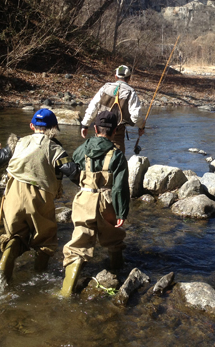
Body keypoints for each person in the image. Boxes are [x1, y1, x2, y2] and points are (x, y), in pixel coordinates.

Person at [0, 109, 77, 283]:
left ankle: (1, 278)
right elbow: (73, 173)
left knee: (14, 236)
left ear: (31, 126)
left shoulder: (17, 143)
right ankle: (38, 279)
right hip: (40, 198)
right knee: (45, 240)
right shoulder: (56, 148)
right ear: (55, 128)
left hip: (13, 194)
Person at [60, 110, 130, 297]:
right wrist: (122, 212)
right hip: (107, 202)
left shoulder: (81, 150)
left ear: (95, 128)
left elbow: (73, 173)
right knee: (114, 239)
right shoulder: (117, 155)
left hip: (84, 198)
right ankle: (117, 275)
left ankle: (65, 293)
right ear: (114, 131)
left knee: (78, 245)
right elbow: (120, 187)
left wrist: (84, 186)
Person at [81, 64, 145, 153]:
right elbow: (136, 115)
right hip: (118, 130)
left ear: (115, 76)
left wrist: (85, 125)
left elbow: (93, 106)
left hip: (100, 128)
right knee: (117, 157)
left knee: (98, 153)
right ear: (129, 78)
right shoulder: (131, 92)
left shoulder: (105, 87)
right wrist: (140, 127)